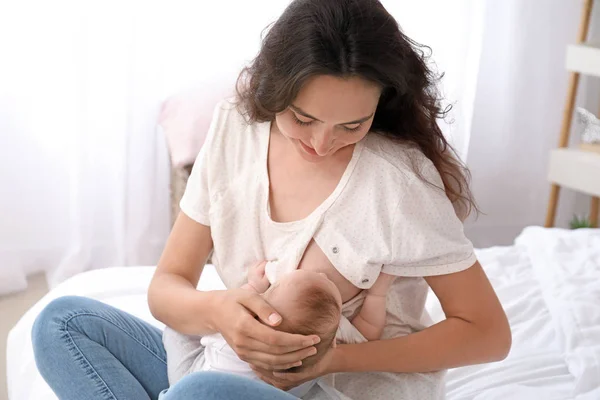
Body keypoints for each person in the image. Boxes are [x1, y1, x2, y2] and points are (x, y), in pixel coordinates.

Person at [31, 0, 511, 399]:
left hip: (345, 389)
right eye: (303, 119)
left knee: (199, 395)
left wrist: (332, 358)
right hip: (229, 368)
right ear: (274, 89)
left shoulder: (398, 183)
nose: (322, 144)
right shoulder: (235, 130)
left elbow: (487, 333)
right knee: (62, 323)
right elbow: (168, 285)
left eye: (352, 125)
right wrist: (221, 312)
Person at [162, 262, 394, 397]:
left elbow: (220, 318)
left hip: (198, 378)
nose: (322, 273)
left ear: (258, 306)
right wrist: (377, 294)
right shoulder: (323, 342)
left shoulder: (232, 338)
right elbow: (369, 332)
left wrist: (253, 285)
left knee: (175, 330)